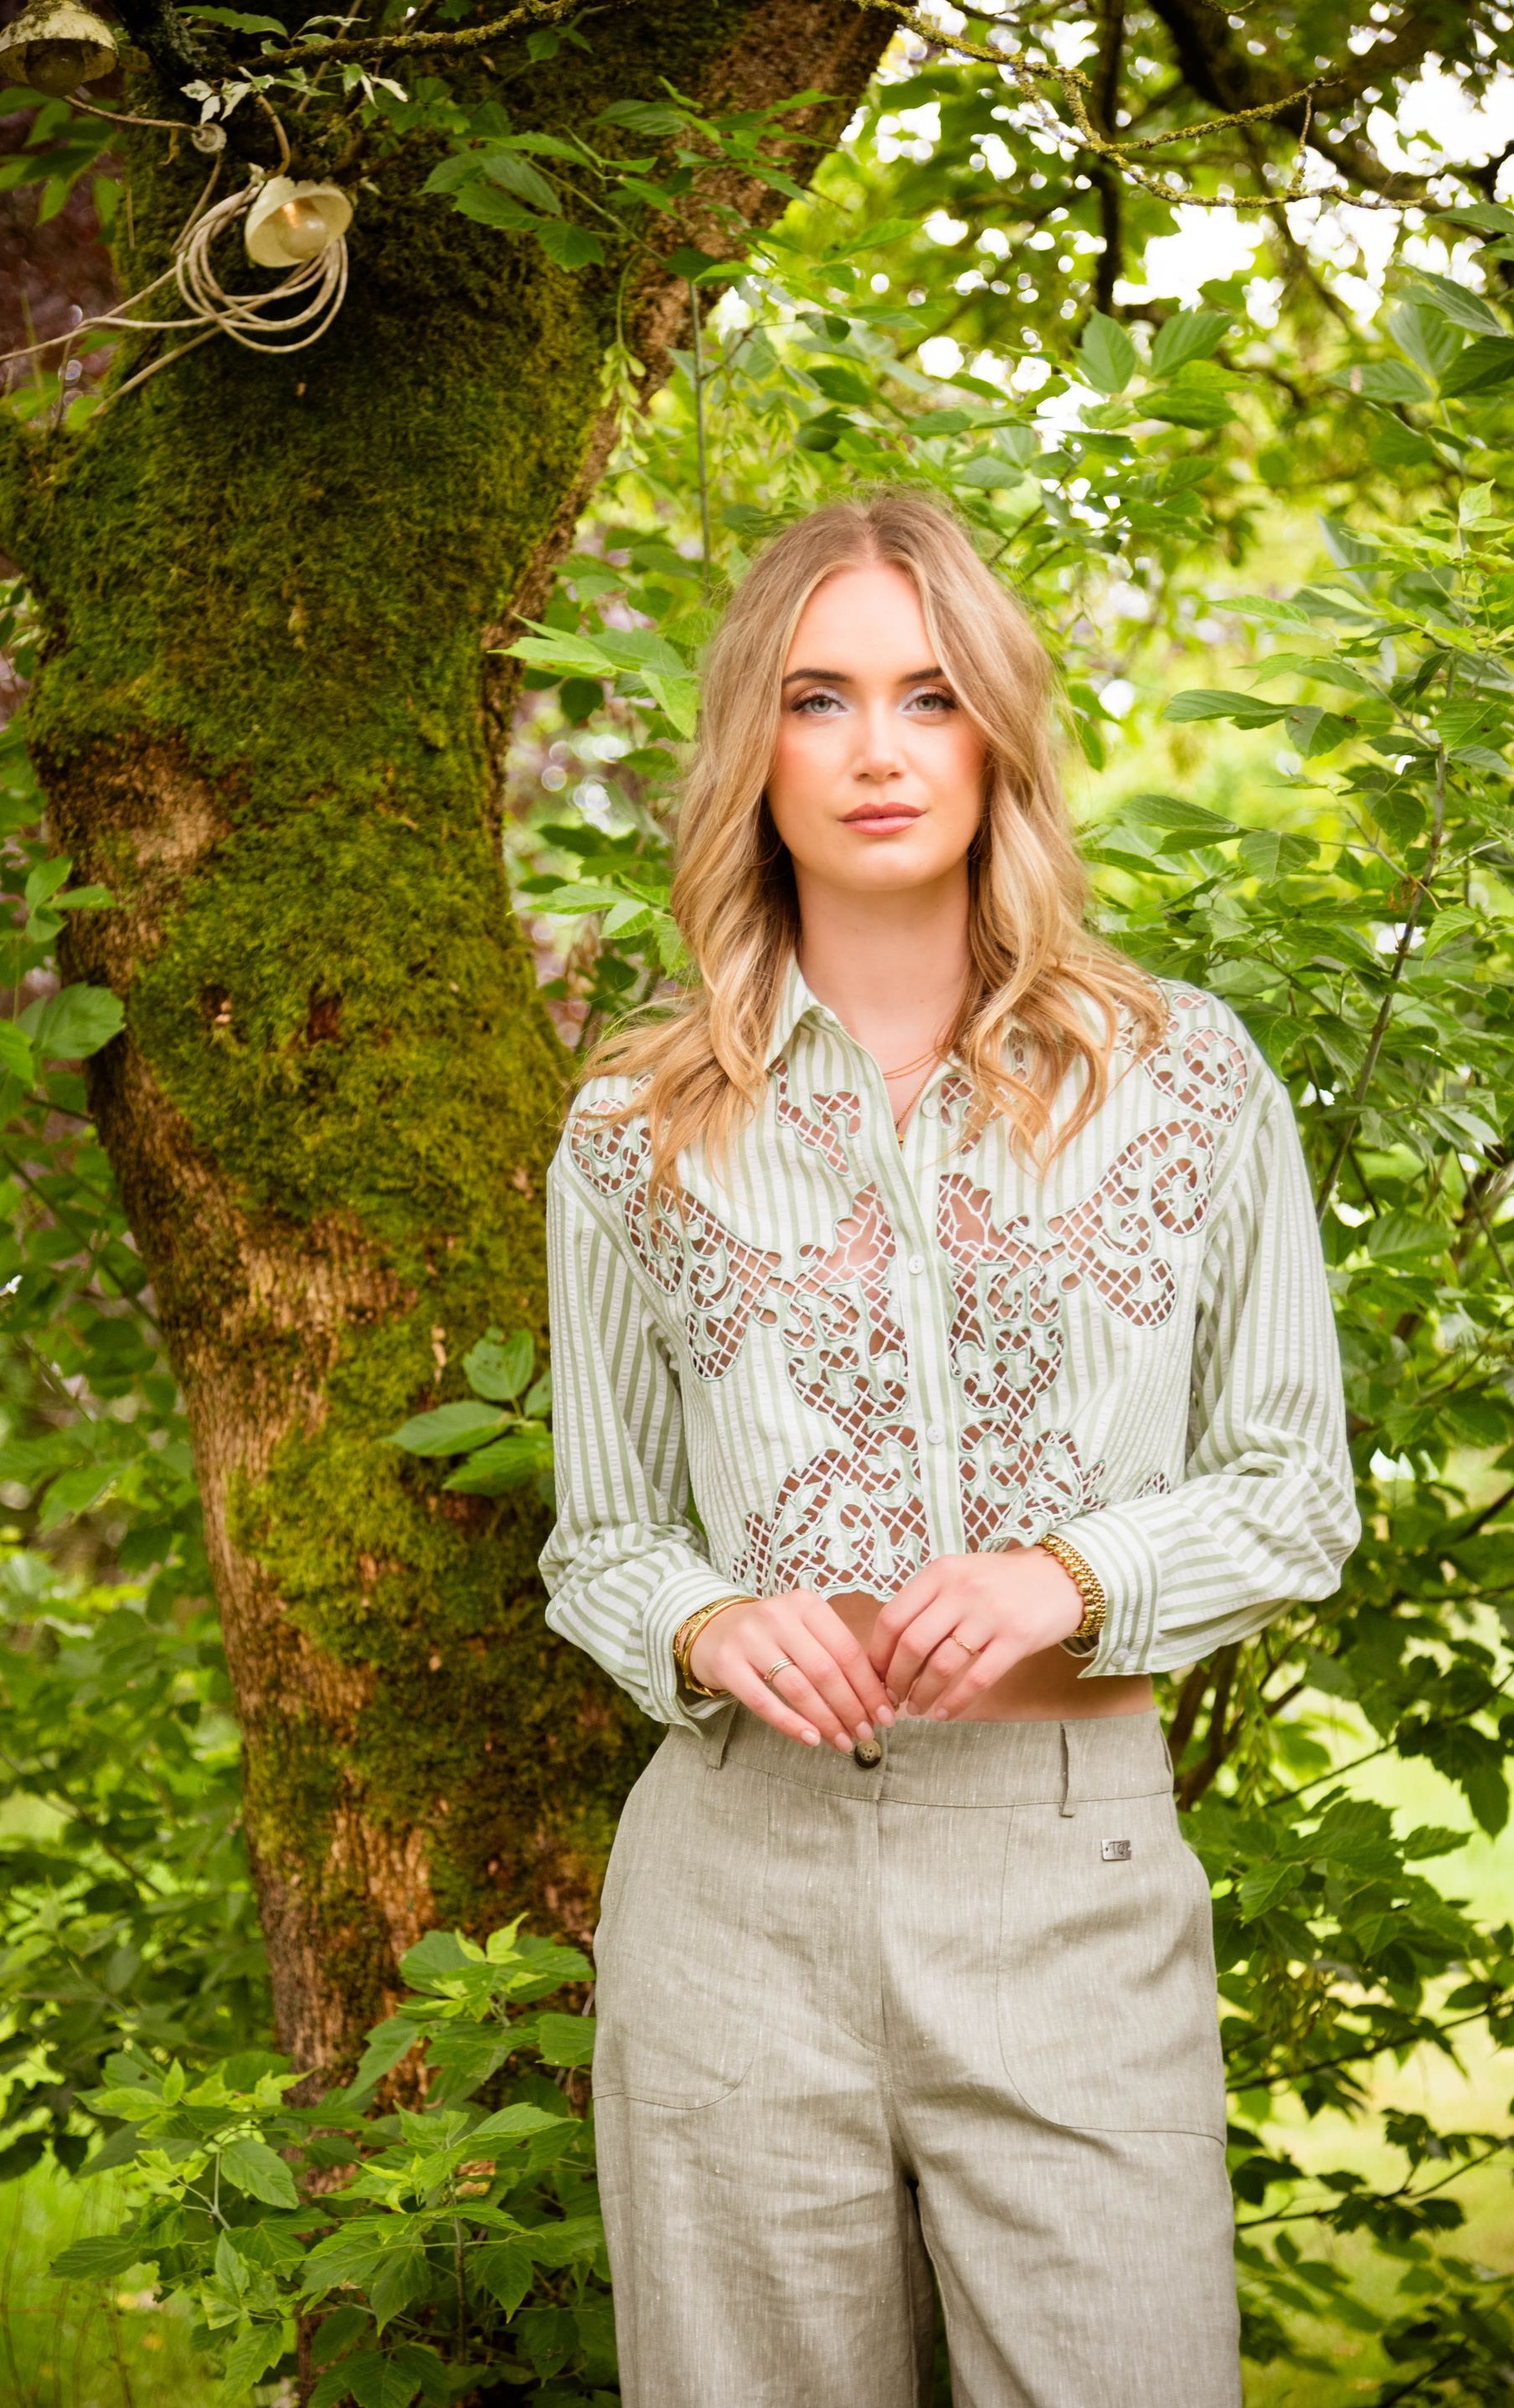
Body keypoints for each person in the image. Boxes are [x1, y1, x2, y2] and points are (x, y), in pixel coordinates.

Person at [536, 485, 1359, 2408]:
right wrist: (709, 1620)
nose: (880, 750)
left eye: (929, 695)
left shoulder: (1181, 1077)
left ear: (998, 731)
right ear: (756, 747)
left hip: (1069, 1872)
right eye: (820, 699)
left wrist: (1071, 1574)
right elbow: (599, 1536)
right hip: (737, 1884)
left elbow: (1296, 1489)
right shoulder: (633, 1129)